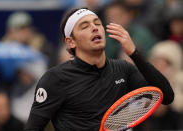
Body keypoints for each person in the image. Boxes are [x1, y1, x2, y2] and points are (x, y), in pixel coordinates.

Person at [25, 8, 174, 131]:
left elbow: (167, 96)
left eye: (97, 23)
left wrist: (134, 54)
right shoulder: (54, 79)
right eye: (85, 26)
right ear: (70, 42)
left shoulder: (123, 68)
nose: (94, 27)